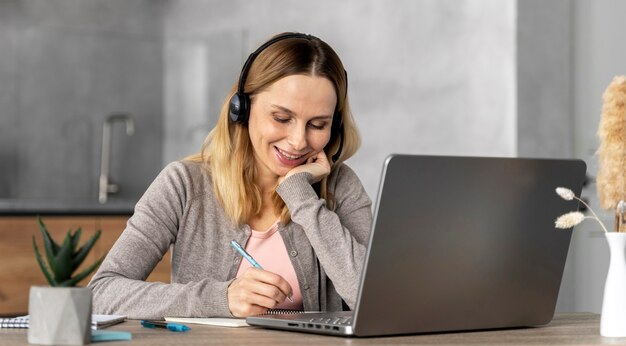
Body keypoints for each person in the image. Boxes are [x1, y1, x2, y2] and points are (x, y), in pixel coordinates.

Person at [88, 32, 372, 319]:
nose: (299, 141)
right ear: (242, 108)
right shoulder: (184, 185)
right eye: (282, 118)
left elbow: (373, 301)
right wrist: (221, 298)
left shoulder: (340, 185)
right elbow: (101, 294)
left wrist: (301, 195)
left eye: (317, 124)